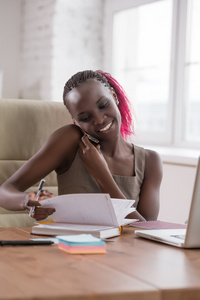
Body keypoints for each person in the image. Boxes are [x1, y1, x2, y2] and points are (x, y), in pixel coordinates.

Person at [0, 70, 162, 221]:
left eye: (103, 105)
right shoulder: (70, 140)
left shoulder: (149, 161)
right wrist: (26, 201)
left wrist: (102, 175)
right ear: (75, 121)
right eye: (85, 117)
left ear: (114, 96)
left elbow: (145, 230)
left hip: (127, 251)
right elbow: (4, 191)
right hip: (72, 249)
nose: (99, 120)